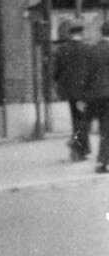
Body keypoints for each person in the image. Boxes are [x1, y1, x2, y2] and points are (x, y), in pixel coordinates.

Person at [52, 20, 91, 163]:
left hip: (69, 92)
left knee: (76, 119)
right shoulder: (87, 49)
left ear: (70, 34)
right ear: (81, 33)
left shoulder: (62, 49)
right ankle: (79, 149)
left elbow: (55, 72)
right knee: (82, 120)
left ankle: (79, 148)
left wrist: (59, 84)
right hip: (85, 91)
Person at [89, 21, 109, 173]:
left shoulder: (94, 49)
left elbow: (88, 74)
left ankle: (101, 161)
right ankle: (102, 162)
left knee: (104, 129)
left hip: (97, 95)